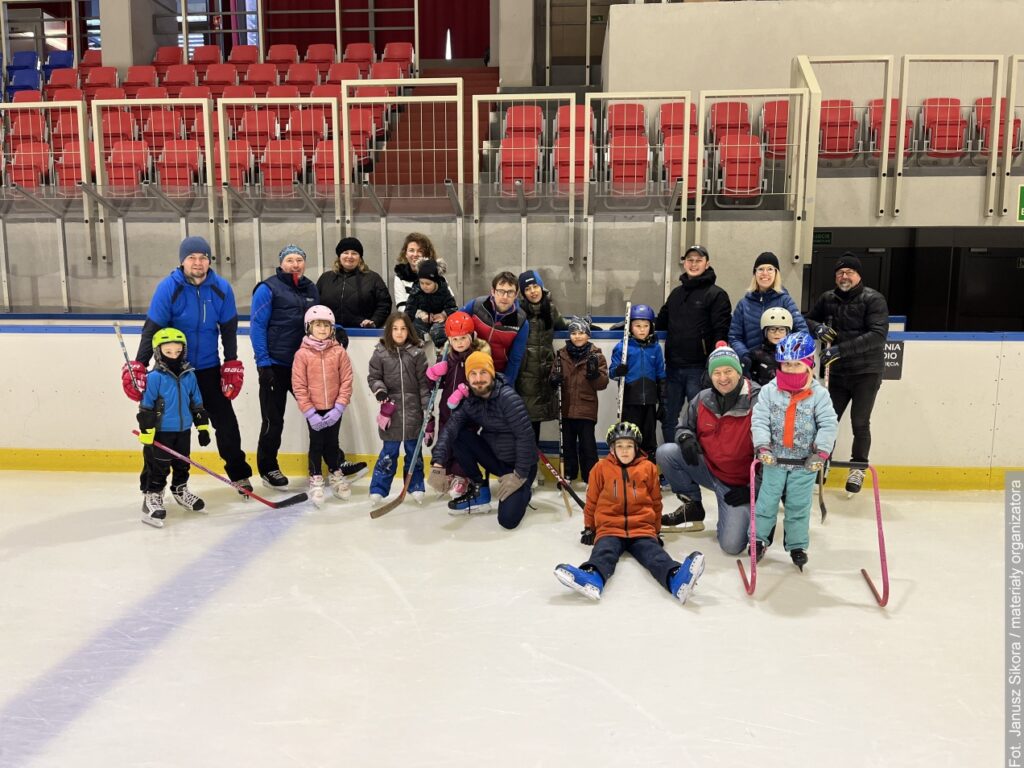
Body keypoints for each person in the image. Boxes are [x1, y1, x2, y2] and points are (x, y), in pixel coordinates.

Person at [123, 235, 253, 494]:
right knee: (162, 429)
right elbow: (152, 328)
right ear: (182, 261)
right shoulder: (169, 287)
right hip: (172, 371)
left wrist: (231, 363)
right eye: (191, 257)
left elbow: (228, 329)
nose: (198, 262)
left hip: (207, 368)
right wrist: (139, 364)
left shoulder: (221, 288)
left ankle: (239, 475)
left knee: (226, 423)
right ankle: (152, 485)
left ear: (209, 260)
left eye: (203, 257)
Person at [553, 422, 706, 604]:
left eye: (629, 446)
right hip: (610, 527)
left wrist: (655, 530)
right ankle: (593, 579)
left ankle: (675, 579)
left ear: (636, 448)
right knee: (603, 552)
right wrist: (589, 528)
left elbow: (656, 502)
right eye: (619, 446)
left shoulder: (648, 468)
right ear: (612, 448)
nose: (624, 451)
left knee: (654, 555)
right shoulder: (600, 469)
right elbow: (592, 502)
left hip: (641, 528)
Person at [656, 342, 760, 555]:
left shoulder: (758, 401)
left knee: (732, 546)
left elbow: (772, 454)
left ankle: (750, 516)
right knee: (667, 453)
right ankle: (692, 505)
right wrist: (685, 438)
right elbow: (684, 427)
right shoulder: (702, 399)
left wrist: (754, 489)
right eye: (717, 372)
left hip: (740, 485)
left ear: (739, 372)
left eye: (728, 371)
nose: (723, 378)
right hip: (711, 469)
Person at [751, 332, 838, 570]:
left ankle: (797, 545)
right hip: (774, 460)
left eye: (796, 364)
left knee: (798, 506)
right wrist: (762, 445)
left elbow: (829, 423)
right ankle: (758, 539)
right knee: (766, 503)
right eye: (786, 364)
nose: (790, 369)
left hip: (804, 463)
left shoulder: (818, 394)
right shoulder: (769, 391)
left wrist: (821, 452)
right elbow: (759, 420)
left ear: (809, 364)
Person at [803, 253, 889, 493]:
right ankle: (823, 463)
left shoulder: (874, 299)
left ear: (859, 275)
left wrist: (840, 349)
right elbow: (807, 320)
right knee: (827, 421)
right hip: (838, 373)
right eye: (840, 272)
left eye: (849, 271)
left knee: (860, 422)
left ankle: (858, 468)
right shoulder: (827, 299)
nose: (844, 275)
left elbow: (878, 335)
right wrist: (817, 327)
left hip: (866, 372)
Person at [427, 351, 538, 528]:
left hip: (520, 466)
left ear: (492, 373)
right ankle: (479, 487)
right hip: (496, 460)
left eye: (483, 372)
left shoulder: (508, 398)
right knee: (459, 435)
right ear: (468, 378)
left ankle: (524, 491)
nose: (478, 378)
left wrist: (519, 475)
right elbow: (450, 429)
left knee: (507, 521)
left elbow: (526, 438)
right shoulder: (470, 400)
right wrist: (438, 464)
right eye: (473, 374)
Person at [251, 244, 319, 489]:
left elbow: (318, 321)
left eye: (299, 259)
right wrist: (263, 363)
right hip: (275, 365)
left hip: (303, 364)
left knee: (319, 415)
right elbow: (258, 326)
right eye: (290, 259)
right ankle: (268, 468)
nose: (295, 264)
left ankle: (329, 462)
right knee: (273, 420)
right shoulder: (267, 288)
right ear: (281, 263)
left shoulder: (310, 288)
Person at [136, 327, 212, 527]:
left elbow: (196, 402)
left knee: (182, 463)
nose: (173, 356)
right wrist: (147, 429)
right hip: (161, 431)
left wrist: (202, 427)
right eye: (168, 352)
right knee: (158, 466)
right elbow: (146, 405)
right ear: (158, 352)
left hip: (183, 430)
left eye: (178, 352)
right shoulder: (154, 377)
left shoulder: (189, 375)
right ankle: (153, 495)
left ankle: (180, 489)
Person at [656, 244, 732, 443]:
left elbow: (721, 330)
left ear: (707, 264)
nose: (694, 264)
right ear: (684, 263)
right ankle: (672, 462)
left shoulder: (717, 295)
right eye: (690, 260)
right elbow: (660, 321)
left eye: (699, 260)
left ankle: (696, 466)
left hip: (698, 370)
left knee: (700, 419)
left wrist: (717, 356)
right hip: (672, 367)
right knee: (668, 418)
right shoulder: (676, 294)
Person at [291, 305, 354, 508]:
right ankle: (316, 476)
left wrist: (339, 408)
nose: (322, 329)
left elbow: (346, 380)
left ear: (332, 328)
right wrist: (310, 413)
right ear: (309, 327)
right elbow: (299, 386)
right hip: (314, 409)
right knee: (316, 444)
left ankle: (335, 472)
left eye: (326, 325)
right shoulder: (302, 355)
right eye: (318, 325)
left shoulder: (338, 352)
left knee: (333, 443)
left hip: (334, 408)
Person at [366, 311, 431, 506]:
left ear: (409, 330)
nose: (399, 333)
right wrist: (379, 391)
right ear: (389, 331)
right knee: (389, 452)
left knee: (414, 454)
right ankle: (378, 489)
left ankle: (416, 486)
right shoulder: (380, 352)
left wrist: (427, 409)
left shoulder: (417, 353)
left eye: (403, 329)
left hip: (413, 412)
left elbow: (423, 385)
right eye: (395, 329)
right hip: (391, 412)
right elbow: (374, 377)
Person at [425, 310, 491, 500]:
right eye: (455, 339)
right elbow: (434, 386)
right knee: (446, 440)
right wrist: (433, 374)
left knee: (461, 441)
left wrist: (465, 391)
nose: (459, 342)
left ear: (471, 336)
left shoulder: (476, 358)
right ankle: (449, 474)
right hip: (446, 411)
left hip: (468, 413)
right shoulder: (447, 357)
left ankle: (462, 477)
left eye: (463, 338)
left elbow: (483, 387)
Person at [550, 316, 608, 487]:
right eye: (574, 333)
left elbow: (602, 384)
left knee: (587, 445)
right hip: (566, 408)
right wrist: (553, 379)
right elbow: (553, 377)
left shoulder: (596, 356)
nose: (577, 336)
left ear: (588, 335)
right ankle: (568, 473)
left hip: (586, 409)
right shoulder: (561, 354)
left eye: (581, 332)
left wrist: (594, 375)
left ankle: (591, 477)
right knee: (567, 445)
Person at [728, 251, 808, 371]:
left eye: (770, 269)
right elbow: (734, 336)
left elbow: (802, 333)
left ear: (776, 273)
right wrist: (745, 356)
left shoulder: (785, 301)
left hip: (781, 367)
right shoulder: (744, 304)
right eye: (760, 269)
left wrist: (786, 355)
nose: (765, 273)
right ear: (755, 273)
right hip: (753, 368)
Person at [515, 270, 569, 443]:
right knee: (527, 421)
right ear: (523, 293)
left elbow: (563, 325)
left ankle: (532, 462)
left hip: (544, 373)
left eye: (535, 286)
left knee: (536, 420)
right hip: (525, 375)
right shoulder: (518, 312)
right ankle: (527, 466)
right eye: (528, 288)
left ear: (541, 287)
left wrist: (582, 325)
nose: (533, 291)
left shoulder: (550, 309)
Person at [609, 303, 666, 460]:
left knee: (649, 439)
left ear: (651, 327)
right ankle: (630, 472)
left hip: (649, 403)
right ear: (630, 327)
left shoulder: (655, 348)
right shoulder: (622, 347)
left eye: (646, 326)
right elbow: (611, 372)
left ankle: (649, 474)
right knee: (630, 438)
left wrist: (662, 402)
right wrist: (617, 371)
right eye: (637, 326)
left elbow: (661, 375)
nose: (642, 329)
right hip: (629, 402)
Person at [460, 271, 529, 384]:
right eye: (501, 291)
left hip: (498, 374)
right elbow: (455, 323)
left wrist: (506, 385)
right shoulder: (476, 305)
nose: (505, 297)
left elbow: (515, 359)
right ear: (493, 291)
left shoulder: (521, 322)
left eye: (510, 292)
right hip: (469, 370)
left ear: (516, 294)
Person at [315, 236, 391, 333]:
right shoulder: (325, 278)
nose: (349, 256)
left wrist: (374, 322)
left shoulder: (373, 278)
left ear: (360, 257)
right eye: (345, 252)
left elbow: (384, 304)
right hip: (328, 335)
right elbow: (315, 305)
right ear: (339, 256)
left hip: (364, 335)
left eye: (354, 253)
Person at [404, 258, 458, 347]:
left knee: (437, 331)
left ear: (435, 281)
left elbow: (452, 308)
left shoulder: (443, 290)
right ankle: (417, 348)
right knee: (413, 328)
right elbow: (409, 309)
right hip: (423, 319)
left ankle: (440, 351)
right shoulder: (416, 290)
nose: (424, 286)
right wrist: (420, 314)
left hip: (439, 320)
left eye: (428, 284)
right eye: (422, 283)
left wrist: (443, 315)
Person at [393, 232, 452, 311]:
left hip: (437, 319)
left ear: (427, 254)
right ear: (405, 254)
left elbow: (450, 301)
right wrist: (419, 314)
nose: (415, 254)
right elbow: (401, 306)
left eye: (420, 251)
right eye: (411, 250)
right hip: (412, 319)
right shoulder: (400, 276)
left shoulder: (436, 272)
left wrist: (443, 315)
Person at [748, 307, 793, 386]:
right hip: (763, 395)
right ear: (765, 332)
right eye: (772, 329)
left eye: (782, 329)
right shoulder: (756, 355)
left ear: (787, 332)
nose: (777, 333)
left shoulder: (794, 355)